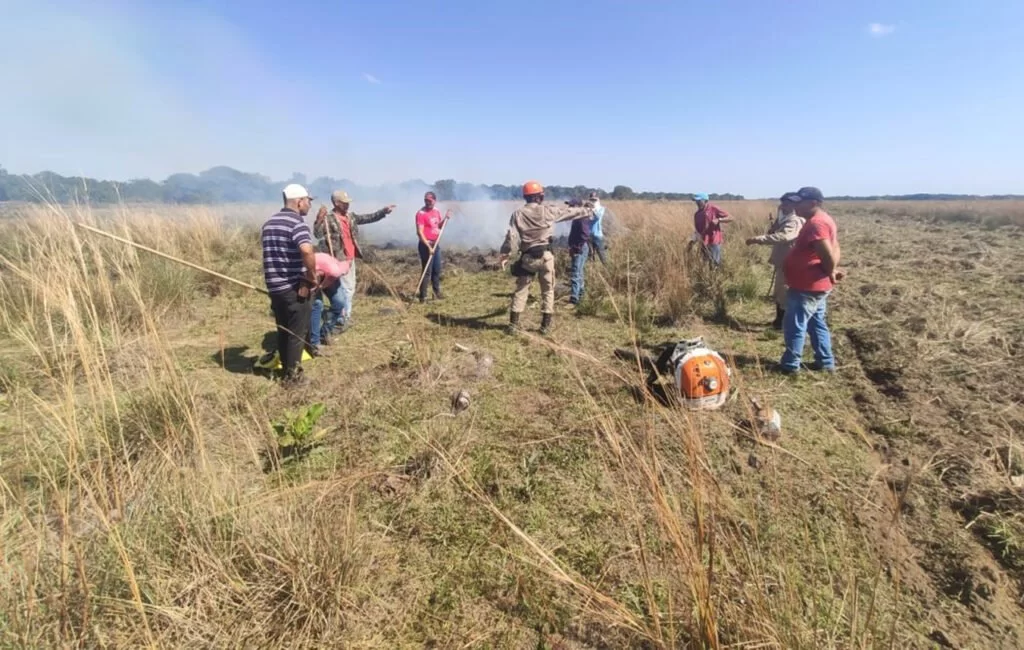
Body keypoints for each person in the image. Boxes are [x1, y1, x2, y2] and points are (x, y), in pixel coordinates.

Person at [500, 181, 595, 335]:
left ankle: (513, 326)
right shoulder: (548, 211)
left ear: (525, 197)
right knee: (548, 291)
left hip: (528, 259)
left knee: (521, 290)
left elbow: (511, 236)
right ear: (540, 196)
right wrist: (587, 210)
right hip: (546, 257)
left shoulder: (517, 214)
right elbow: (569, 213)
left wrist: (505, 253)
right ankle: (545, 327)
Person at [779, 186, 845, 374]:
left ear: (813, 203)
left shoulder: (817, 224)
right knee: (816, 323)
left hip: (807, 286)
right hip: (814, 284)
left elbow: (828, 254)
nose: (795, 206)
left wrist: (830, 269)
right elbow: (835, 247)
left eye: (799, 202)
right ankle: (825, 362)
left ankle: (790, 365)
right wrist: (830, 271)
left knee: (795, 325)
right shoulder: (823, 220)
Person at [261, 184, 318, 386]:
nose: (310, 205)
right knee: (296, 333)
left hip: (275, 288)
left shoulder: (269, 223)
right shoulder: (297, 224)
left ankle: (286, 370)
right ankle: (293, 378)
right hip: (293, 288)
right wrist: (312, 276)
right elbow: (306, 250)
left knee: (283, 331)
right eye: (308, 201)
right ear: (299, 201)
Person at [313, 190, 395, 328]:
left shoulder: (351, 217)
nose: (347, 205)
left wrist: (383, 212)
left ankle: (344, 315)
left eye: (347, 203)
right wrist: (319, 219)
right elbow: (317, 234)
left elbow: (368, 218)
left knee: (349, 288)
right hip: (337, 259)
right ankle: (343, 317)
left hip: (350, 258)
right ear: (336, 203)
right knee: (343, 289)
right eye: (344, 203)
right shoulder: (329, 219)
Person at [745, 192, 806, 329]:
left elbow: (784, 236)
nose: (784, 206)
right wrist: (775, 224)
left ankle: (783, 323)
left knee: (783, 293)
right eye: (783, 203)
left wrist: (758, 239)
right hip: (784, 262)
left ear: (795, 205)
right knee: (779, 292)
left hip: (789, 263)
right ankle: (780, 321)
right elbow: (775, 233)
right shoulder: (785, 219)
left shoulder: (794, 221)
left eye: (788, 204)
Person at [308, 252, 351, 356]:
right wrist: (313, 287)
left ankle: (325, 332)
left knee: (339, 303)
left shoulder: (335, 271)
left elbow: (346, 265)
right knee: (317, 305)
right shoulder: (307, 266)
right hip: (312, 274)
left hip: (331, 276)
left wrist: (321, 286)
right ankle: (315, 343)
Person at [415, 191, 453, 303]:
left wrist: (446, 219)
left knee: (437, 269)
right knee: (427, 270)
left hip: (436, 244)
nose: (427, 203)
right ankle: (423, 297)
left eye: (430, 201)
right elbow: (419, 233)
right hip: (425, 245)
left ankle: (436, 292)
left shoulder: (436, 211)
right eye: (426, 200)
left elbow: (438, 227)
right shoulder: (421, 214)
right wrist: (428, 246)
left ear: (434, 201)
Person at [689, 192, 733, 266]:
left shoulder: (713, 209)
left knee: (715, 264)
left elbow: (731, 218)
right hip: (703, 243)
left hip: (714, 241)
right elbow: (697, 231)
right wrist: (692, 242)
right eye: (696, 201)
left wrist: (719, 220)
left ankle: (717, 277)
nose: (697, 203)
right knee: (705, 264)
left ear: (705, 201)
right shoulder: (697, 215)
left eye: (699, 201)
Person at [587, 191, 609, 265]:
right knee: (590, 254)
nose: (593, 201)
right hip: (588, 234)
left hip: (597, 234)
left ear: (598, 200)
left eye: (594, 200)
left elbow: (598, 217)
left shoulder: (601, 209)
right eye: (591, 200)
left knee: (601, 253)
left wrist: (593, 210)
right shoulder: (587, 209)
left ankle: (606, 267)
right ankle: (591, 269)